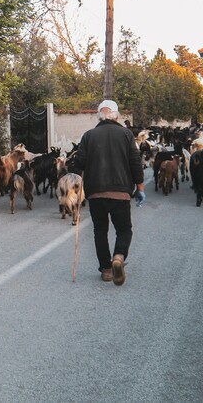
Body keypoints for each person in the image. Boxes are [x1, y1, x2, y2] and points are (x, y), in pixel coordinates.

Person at [72, 99, 145, 285]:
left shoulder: (89, 135)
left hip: (96, 193)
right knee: (124, 229)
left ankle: (106, 269)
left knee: (100, 231)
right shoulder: (127, 134)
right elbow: (135, 162)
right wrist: (140, 187)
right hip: (120, 193)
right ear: (116, 115)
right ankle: (119, 257)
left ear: (99, 115)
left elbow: (78, 163)